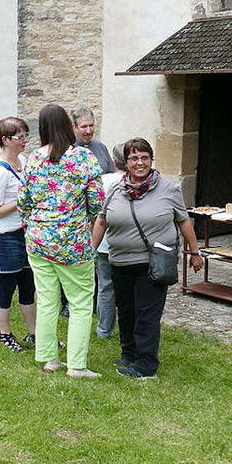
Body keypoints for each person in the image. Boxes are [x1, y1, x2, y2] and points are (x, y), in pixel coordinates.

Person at [91, 137, 204, 379]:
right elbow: (101, 220)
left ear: (151, 160)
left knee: (146, 313)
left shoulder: (168, 188)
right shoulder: (116, 189)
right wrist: (90, 250)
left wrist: (195, 253)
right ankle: (129, 354)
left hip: (152, 263)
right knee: (127, 311)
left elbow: (184, 221)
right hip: (120, 261)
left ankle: (146, 365)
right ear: (126, 162)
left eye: (144, 158)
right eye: (134, 158)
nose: (139, 163)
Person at [18, 104, 104, 378]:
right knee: (80, 302)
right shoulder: (83, 158)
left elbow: (24, 202)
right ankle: (76, 365)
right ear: (69, 125)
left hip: (38, 240)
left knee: (46, 299)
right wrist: (80, 220)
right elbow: (97, 201)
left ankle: (48, 358)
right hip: (72, 242)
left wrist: (33, 226)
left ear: (42, 127)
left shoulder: (33, 158)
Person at [0, 117, 36, 353]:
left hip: (20, 233)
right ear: (5, 140)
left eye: (26, 136)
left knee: (28, 285)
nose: (25, 141)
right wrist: (19, 203)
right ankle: (4, 334)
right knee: (7, 286)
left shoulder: (22, 161)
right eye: (20, 137)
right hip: (1, 237)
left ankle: (34, 335)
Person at [95, 143, 126, 338]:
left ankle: (104, 330)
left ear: (114, 162)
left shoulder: (103, 180)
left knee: (105, 287)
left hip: (104, 243)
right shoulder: (137, 180)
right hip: (129, 246)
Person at [72, 108, 115, 174]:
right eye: (84, 126)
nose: (89, 131)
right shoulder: (69, 150)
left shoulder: (101, 147)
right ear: (75, 128)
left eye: (91, 125)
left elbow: (111, 173)